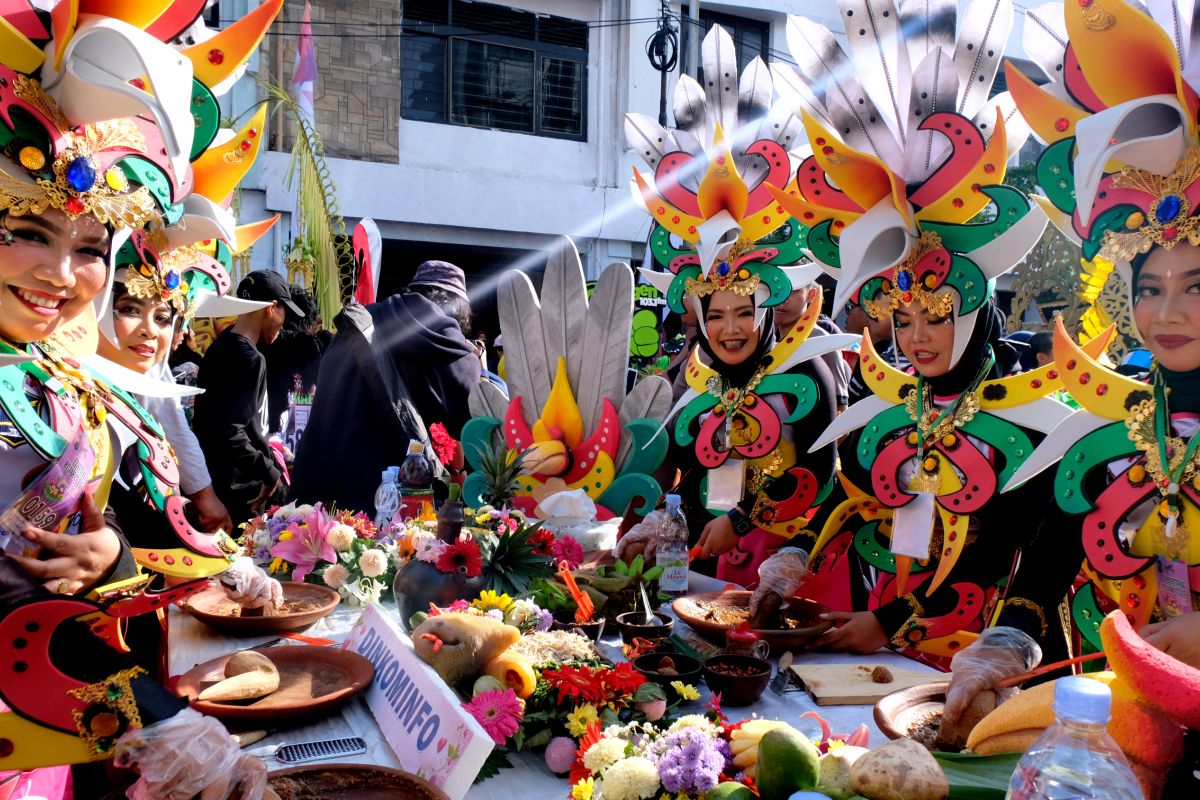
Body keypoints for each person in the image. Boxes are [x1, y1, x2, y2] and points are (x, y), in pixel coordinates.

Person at [755, 2, 1084, 719]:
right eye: (901, 319)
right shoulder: (895, 404)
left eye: (937, 316)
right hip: (876, 656)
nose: (917, 338)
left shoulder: (1031, 419)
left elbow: (1000, 555)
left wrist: (896, 620)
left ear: (977, 307)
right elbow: (855, 489)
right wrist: (801, 553)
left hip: (979, 672)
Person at [0, 3, 281, 797]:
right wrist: (160, 719)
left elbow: (68, 561)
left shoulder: (53, 378)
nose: (61, 274)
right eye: (22, 226)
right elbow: (20, 614)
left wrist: (194, 568)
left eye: (89, 246)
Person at [616, 25, 843, 585]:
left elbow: (824, 470)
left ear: (767, 310)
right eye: (714, 314)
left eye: (743, 312)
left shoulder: (804, 368)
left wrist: (743, 521)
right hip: (706, 559)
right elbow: (694, 466)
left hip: (790, 561)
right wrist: (668, 521)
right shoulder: (699, 373)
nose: (729, 328)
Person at [290, 260, 483, 513]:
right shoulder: (442, 336)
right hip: (387, 495)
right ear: (459, 310)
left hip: (321, 484)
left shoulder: (360, 321)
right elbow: (470, 415)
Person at [193, 270, 303, 525]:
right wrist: (269, 472)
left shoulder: (219, 347)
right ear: (271, 308)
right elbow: (231, 430)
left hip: (214, 482)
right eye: (284, 313)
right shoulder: (251, 359)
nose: (283, 324)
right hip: (239, 495)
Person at [775, 279, 851, 412]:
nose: (782, 297)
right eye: (776, 288)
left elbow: (840, 413)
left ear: (811, 295)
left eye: (793, 291)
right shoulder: (764, 338)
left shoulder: (823, 343)